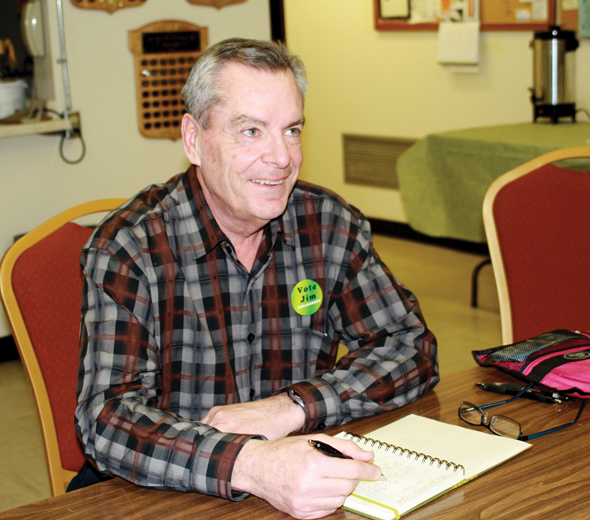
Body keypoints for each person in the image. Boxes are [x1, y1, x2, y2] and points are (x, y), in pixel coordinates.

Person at [75, 38, 439, 519]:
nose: (281, 157)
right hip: (165, 495)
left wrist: (292, 407)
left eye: (292, 131)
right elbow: (106, 419)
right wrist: (249, 463)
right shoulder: (130, 247)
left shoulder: (327, 224)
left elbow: (410, 347)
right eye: (251, 131)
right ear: (193, 139)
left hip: (300, 479)